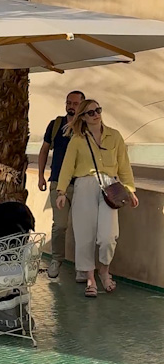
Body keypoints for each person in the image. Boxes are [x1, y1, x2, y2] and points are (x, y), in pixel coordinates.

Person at [57, 99, 138, 298]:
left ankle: (104, 269)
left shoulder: (115, 136)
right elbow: (67, 167)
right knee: (84, 235)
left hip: (110, 187)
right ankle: (90, 278)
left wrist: (130, 190)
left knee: (108, 237)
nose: (96, 115)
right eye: (91, 112)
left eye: (98, 110)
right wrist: (61, 191)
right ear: (83, 117)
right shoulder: (77, 139)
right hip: (84, 185)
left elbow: (124, 165)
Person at [37, 89, 85, 279]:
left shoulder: (86, 127)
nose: (70, 106)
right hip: (58, 183)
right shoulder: (56, 125)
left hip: (81, 182)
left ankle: (83, 266)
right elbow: (44, 150)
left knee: (83, 226)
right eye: (68, 102)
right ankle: (56, 260)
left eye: (74, 103)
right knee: (59, 226)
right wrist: (41, 175)